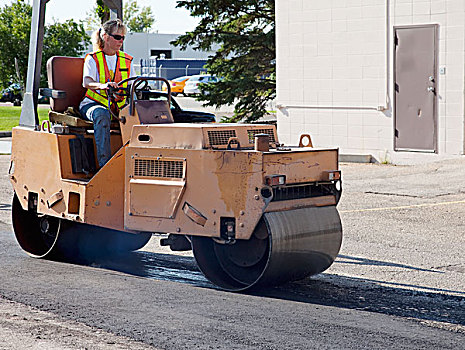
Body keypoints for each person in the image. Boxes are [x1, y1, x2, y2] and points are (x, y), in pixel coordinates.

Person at [79, 19, 134, 167]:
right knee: (101, 115)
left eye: (123, 37)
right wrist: (103, 86)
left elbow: (132, 83)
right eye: (117, 37)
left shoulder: (127, 60)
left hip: (118, 106)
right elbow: (87, 82)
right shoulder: (93, 59)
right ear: (105, 36)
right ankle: (105, 166)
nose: (120, 41)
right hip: (93, 104)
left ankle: (133, 162)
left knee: (140, 114)